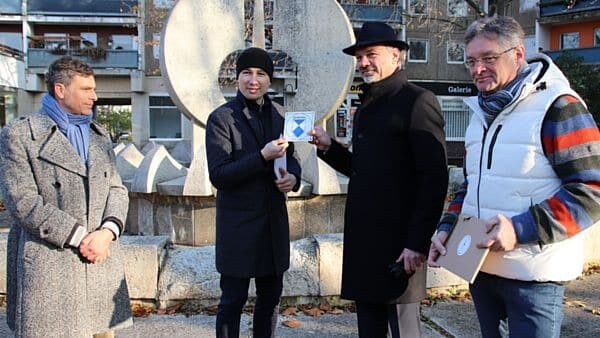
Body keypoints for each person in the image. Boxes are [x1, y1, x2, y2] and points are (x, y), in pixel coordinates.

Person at [428, 16, 600, 338]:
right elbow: (472, 183)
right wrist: (447, 229)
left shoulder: (558, 106)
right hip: (480, 269)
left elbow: (592, 190)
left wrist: (520, 229)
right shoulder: (481, 113)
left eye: (489, 58)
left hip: (533, 276)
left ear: (518, 54)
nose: (478, 69)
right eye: (471, 61)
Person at [310, 22, 448, 337]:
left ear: (397, 56)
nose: (363, 63)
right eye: (359, 57)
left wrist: (416, 243)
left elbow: (434, 180)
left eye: (371, 54)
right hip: (365, 244)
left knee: (404, 329)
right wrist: (329, 148)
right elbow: (365, 169)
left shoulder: (418, 101)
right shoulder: (367, 106)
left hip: (400, 246)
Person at [0, 56, 132, 337]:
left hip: (99, 263)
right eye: (86, 90)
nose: (94, 97)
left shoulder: (98, 135)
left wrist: (107, 232)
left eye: (94, 89)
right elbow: (22, 201)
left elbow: (117, 189)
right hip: (52, 269)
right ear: (60, 90)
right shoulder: (20, 135)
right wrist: (80, 237)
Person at [206, 47, 302, 338]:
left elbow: (293, 160)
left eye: (261, 74)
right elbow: (219, 175)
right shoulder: (221, 118)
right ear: (236, 78)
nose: (253, 80)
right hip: (238, 227)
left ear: (269, 80)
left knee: (270, 302)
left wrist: (293, 179)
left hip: (273, 226)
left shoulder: (281, 116)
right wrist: (262, 156)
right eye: (246, 72)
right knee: (232, 302)